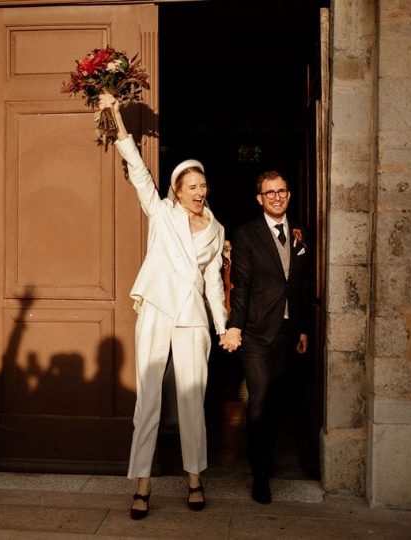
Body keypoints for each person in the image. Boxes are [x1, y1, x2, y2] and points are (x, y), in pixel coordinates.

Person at [100, 94, 231, 519]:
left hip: (192, 318)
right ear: (176, 191)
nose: (199, 191)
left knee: (194, 399)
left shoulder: (216, 228)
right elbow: (138, 171)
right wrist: (115, 116)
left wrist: (222, 326)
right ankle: (142, 484)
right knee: (149, 399)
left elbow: (213, 282)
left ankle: (195, 477)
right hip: (157, 308)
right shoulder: (161, 213)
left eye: (203, 185)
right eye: (191, 187)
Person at [221, 171, 310, 504]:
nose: (276, 197)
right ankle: (260, 474)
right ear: (259, 198)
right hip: (256, 331)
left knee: (276, 401)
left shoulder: (300, 235)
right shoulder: (246, 235)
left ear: (288, 195)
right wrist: (235, 326)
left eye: (282, 191)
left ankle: (266, 456)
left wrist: (302, 328)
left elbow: (298, 285)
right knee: (258, 401)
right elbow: (240, 285)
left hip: (287, 331)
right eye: (269, 193)